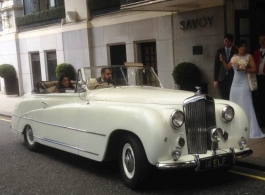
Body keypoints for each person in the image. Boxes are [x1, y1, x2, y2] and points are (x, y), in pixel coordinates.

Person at [221, 40, 265, 138]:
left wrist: (245, 69)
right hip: (235, 84)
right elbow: (228, 68)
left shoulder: (249, 56)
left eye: (245, 46)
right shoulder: (234, 57)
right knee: (234, 104)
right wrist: (223, 61)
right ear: (237, 47)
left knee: (247, 104)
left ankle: (250, 129)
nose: (243, 48)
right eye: (241, 46)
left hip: (244, 83)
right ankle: (236, 128)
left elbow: (255, 69)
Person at [214, 34, 237, 100]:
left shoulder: (235, 51)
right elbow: (216, 66)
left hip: (232, 77)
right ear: (223, 41)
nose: (227, 43)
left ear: (232, 42)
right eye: (226, 41)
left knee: (232, 96)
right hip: (222, 78)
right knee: (224, 96)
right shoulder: (219, 51)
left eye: (229, 41)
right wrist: (215, 80)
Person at [253, 34, 265, 127]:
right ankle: (261, 121)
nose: (262, 42)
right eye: (260, 40)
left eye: (264, 40)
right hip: (258, 78)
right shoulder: (256, 52)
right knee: (259, 100)